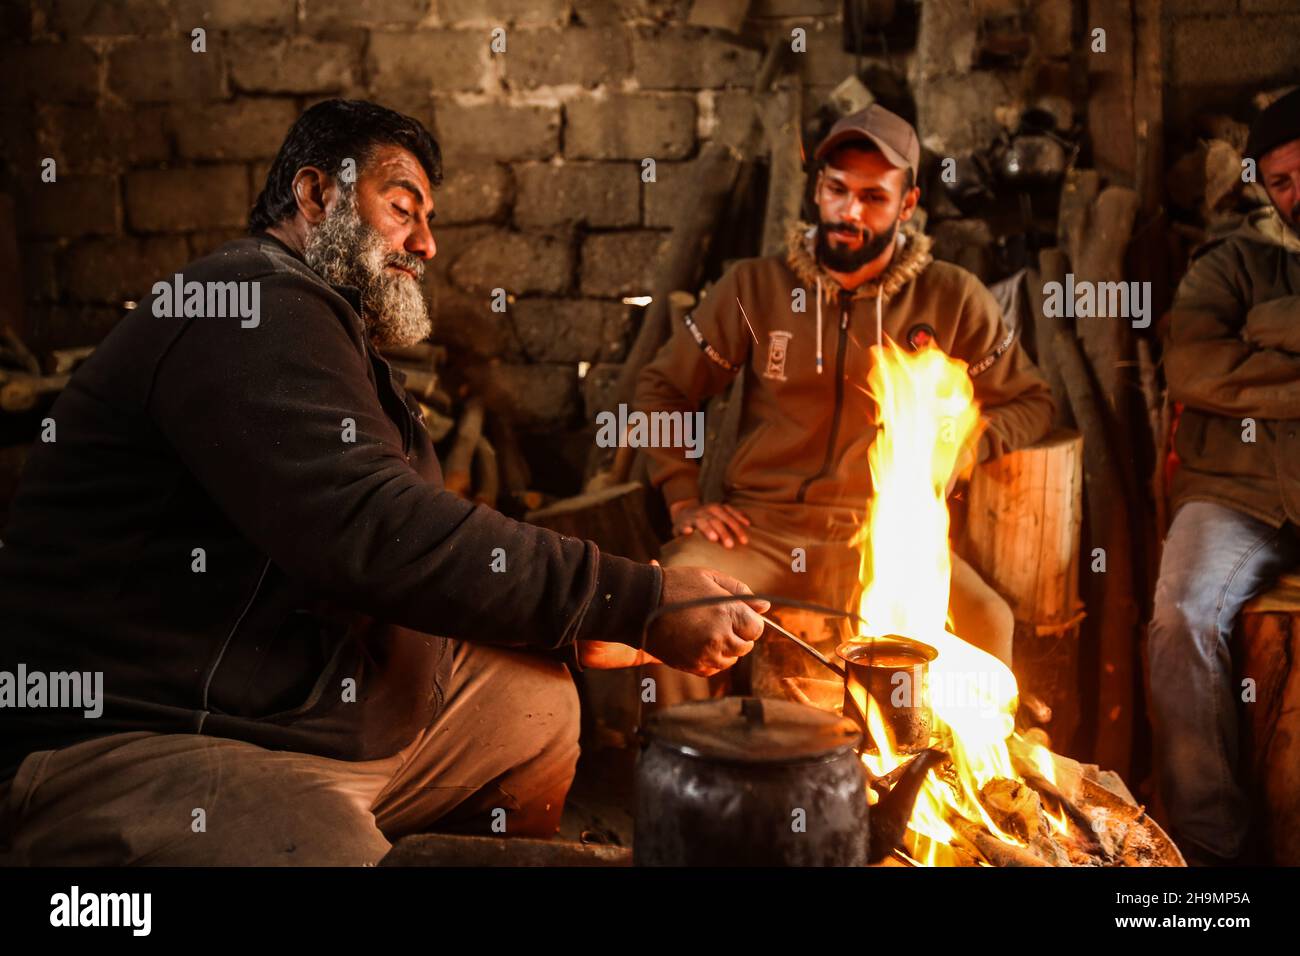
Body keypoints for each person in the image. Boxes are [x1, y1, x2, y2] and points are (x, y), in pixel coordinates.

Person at [0, 99, 767, 866]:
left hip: (305, 707)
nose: (426, 242)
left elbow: (409, 531)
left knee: (530, 703)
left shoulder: (325, 332)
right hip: (167, 734)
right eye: (402, 207)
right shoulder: (248, 304)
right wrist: (636, 600)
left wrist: (565, 624)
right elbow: (371, 526)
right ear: (317, 195)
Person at [634, 104, 1055, 707]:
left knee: (989, 622)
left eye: (874, 197)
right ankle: (680, 782)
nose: (850, 212)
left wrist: (964, 444)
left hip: (888, 534)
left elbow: (1030, 401)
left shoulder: (952, 297)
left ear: (907, 205)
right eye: (837, 190)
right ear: (817, 189)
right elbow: (664, 390)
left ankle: (964, 791)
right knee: (677, 607)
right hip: (760, 529)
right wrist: (681, 498)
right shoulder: (755, 287)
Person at [1149, 86, 1300, 866]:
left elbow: (1239, 360)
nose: (1297, 194)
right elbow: (1195, 368)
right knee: (1181, 616)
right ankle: (1208, 853)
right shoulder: (1236, 259)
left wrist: (1271, 330)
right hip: (1234, 491)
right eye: (1282, 182)